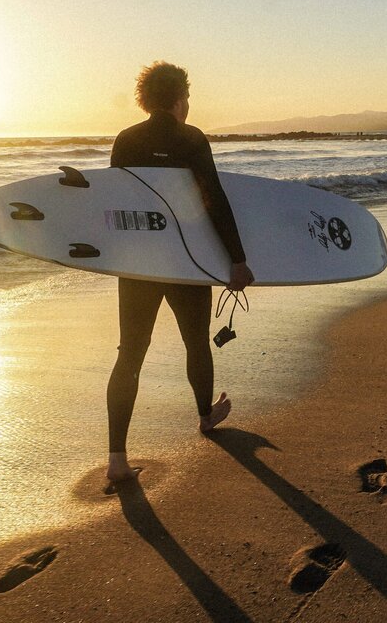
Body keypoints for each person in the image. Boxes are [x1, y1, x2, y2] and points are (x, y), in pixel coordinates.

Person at [106, 62, 254, 483]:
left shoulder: (126, 140)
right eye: (186, 97)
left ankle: (117, 459)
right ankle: (206, 417)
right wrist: (236, 259)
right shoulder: (191, 139)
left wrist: (111, 257)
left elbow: (116, 207)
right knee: (195, 343)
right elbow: (214, 201)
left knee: (129, 354)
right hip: (186, 260)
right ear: (177, 99)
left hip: (138, 265)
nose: (188, 105)